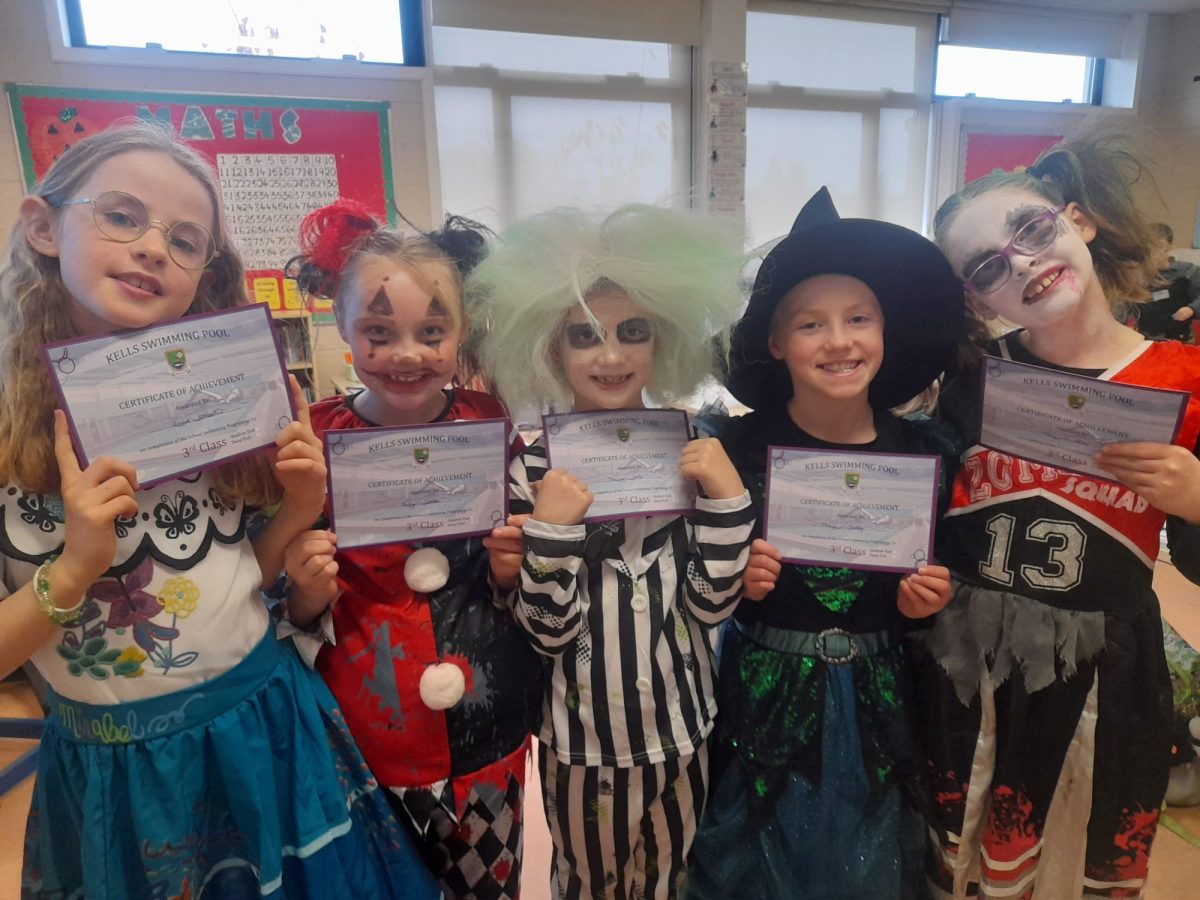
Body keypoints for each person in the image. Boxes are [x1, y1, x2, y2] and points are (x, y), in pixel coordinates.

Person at [0, 121, 438, 898]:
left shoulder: (222, 408)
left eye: (185, 240)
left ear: (205, 272)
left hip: (268, 727)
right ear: (42, 226)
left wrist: (297, 508)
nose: (151, 249)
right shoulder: (7, 433)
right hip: (124, 772)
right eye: (121, 216)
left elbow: (237, 581)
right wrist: (72, 572)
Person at [912, 130, 1200, 898]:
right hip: (967, 667)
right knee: (962, 855)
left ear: (1080, 220)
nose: (1021, 263)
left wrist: (1197, 500)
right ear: (976, 300)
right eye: (987, 268)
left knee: (1073, 853)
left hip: (1101, 670)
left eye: (1032, 231)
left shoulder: (1184, 380)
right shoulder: (971, 378)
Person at [467, 205, 754, 899]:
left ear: (662, 340)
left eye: (633, 332)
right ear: (551, 349)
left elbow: (712, 604)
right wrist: (551, 531)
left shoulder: (694, 449)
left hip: (683, 730)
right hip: (582, 745)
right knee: (586, 884)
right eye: (584, 335)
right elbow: (547, 629)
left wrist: (727, 499)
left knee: (671, 880)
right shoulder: (529, 470)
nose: (612, 356)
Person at [685, 187, 962, 900]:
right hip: (760, 694)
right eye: (811, 324)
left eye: (858, 318)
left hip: (881, 696)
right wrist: (734, 580)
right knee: (752, 858)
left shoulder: (927, 453)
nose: (839, 341)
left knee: (870, 861)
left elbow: (935, 584)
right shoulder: (733, 449)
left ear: (885, 329)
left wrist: (927, 601)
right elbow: (691, 581)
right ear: (777, 344)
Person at [280, 199, 545, 900]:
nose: (407, 354)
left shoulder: (491, 425)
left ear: (462, 334)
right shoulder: (316, 439)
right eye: (378, 332)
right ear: (342, 330)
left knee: (487, 886)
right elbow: (280, 598)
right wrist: (304, 596)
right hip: (368, 737)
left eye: (432, 332)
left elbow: (521, 570)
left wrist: (511, 570)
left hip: (485, 728)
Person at [1128, 222, 1200, 342]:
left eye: (1158, 248)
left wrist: (1192, 309)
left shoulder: (1188, 272)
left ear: (1167, 248)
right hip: (1146, 338)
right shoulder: (1137, 275)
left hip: (1179, 338)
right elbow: (1124, 304)